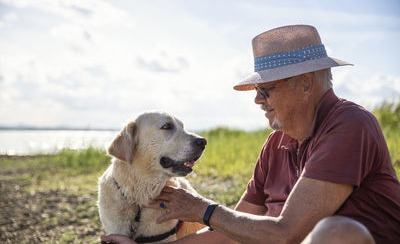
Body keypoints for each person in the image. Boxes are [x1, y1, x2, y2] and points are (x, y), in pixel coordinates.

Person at [101, 25, 400, 244]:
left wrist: (201, 209)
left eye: (265, 89)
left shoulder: (350, 126)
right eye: (257, 90)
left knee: (337, 233)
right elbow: (230, 231)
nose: (258, 99)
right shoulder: (276, 145)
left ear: (306, 84)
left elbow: (286, 233)